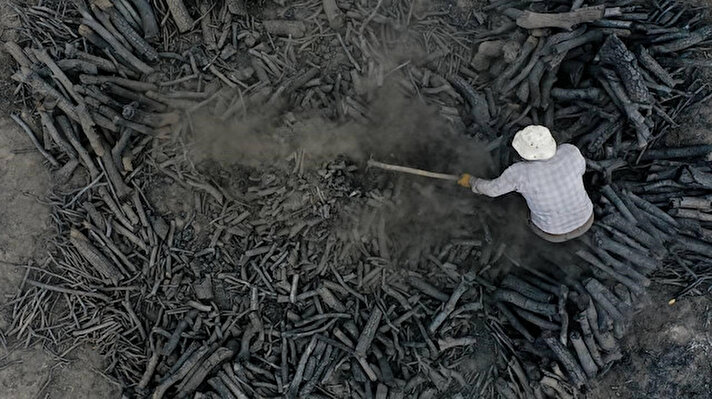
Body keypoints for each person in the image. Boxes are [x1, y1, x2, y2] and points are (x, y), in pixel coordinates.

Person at [458, 125, 594, 243]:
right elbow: (581, 171)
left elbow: (492, 190)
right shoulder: (571, 152)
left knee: (514, 202)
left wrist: (472, 181)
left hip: (552, 233)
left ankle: (526, 238)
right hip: (587, 219)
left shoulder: (519, 172)